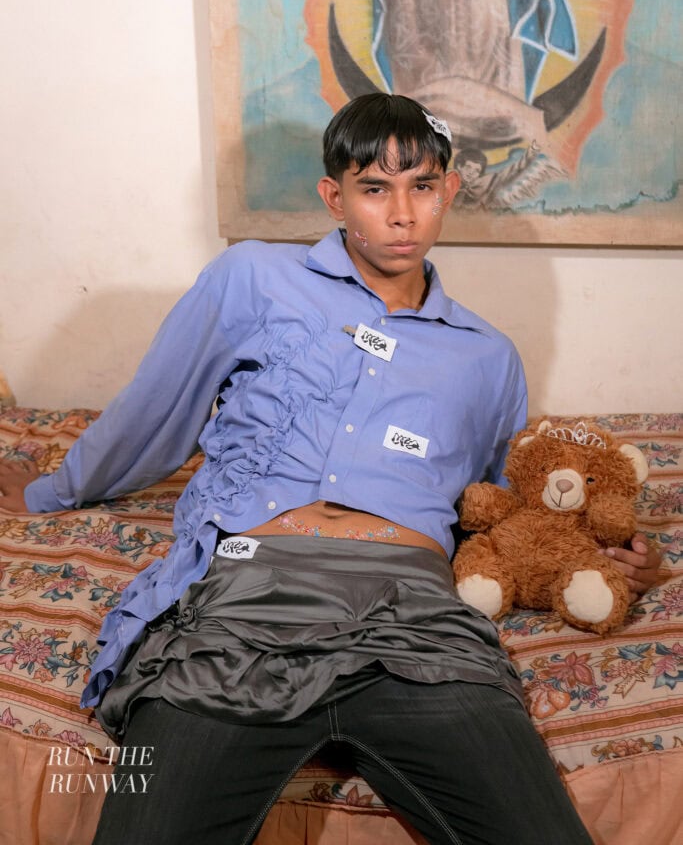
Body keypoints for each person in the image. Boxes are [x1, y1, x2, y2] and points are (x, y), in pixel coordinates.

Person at [0, 94, 660, 845]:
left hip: (416, 619)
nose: (401, 214)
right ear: (334, 197)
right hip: (246, 597)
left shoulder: (488, 357)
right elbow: (157, 407)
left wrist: (608, 553)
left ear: (448, 190)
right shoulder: (253, 276)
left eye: (420, 187)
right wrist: (54, 489)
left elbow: (504, 514)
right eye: (374, 188)